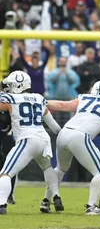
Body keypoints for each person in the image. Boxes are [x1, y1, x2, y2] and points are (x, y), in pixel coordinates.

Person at [45, 81, 100, 215]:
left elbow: (62, 105)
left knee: (60, 168)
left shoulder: (83, 98)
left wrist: (43, 101)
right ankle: (91, 207)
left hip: (64, 133)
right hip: (80, 135)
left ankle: (46, 201)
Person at [0, 71, 62, 215]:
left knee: (5, 173)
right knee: (47, 168)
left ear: (17, 85)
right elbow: (55, 127)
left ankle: (1, 204)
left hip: (27, 139)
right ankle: (57, 196)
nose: (8, 87)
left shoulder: (11, 98)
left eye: (10, 85)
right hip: (43, 140)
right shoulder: (39, 98)